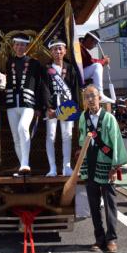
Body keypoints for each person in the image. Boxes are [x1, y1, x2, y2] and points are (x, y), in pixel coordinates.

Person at [79, 85, 127, 253]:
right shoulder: (83, 117)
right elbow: (80, 138)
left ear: (99, 97)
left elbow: (116, 141)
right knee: (93, 205)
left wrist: (115, 167)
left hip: (106, 165)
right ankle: (99, 238)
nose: (90, 99)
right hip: (89, 165)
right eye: (87, 96)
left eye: (93, 95)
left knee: (109, 204)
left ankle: (111, 239)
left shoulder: (109, 118)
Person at [5, 33, 44, 175]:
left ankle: (25, 163)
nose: (19, 47)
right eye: (17, 44)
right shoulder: (9, 62)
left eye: (22, 44)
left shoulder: (34, 63)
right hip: (11, 104)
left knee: (22, 128)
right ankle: (23, 167)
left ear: (27, 46)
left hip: (28, 103)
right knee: (15, 136)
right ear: (13, 46)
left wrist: (39, 106)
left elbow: (39, 85)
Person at [43, 39, 75, 177]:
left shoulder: (70, 68)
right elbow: (44, 89)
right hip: (52, 106)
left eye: (60, 48)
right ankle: (52, 168)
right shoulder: (47, 69)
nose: (58, 51)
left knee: (67, 136)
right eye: (55, 49)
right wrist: (48, 107)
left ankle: (66, 167)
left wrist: (75, 107)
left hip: (67, 105)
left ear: (65, 51)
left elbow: (74, 88)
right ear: (51, 52)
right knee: (51, 136)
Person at [80, 31, 114, 104]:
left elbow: (90, 61)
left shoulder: (81, 47)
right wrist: (103, 61)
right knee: (97, 66)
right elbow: (91, 62)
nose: (95, 46)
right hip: (77, 74)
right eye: (95, 43)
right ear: (89, 39)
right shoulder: (79, 47)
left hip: (80, 73)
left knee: (96, 68)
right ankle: (99, 94)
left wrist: (102, 61)